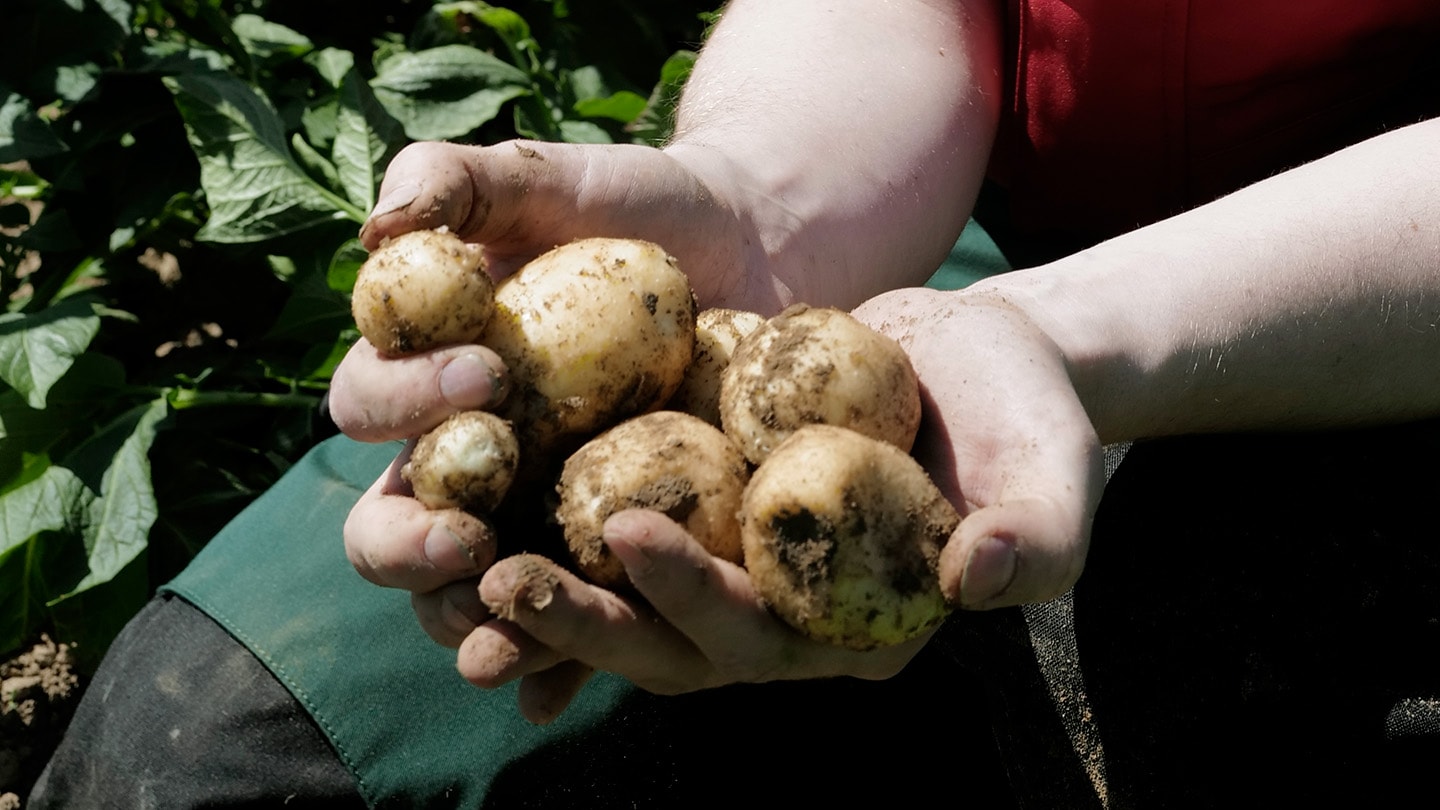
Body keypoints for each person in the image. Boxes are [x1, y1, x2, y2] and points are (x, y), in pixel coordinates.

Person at [31, 0, 1440, 807]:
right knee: (223, 749)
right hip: (939, 240)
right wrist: (758, 193)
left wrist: (1079, 331)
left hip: (1377, 311)